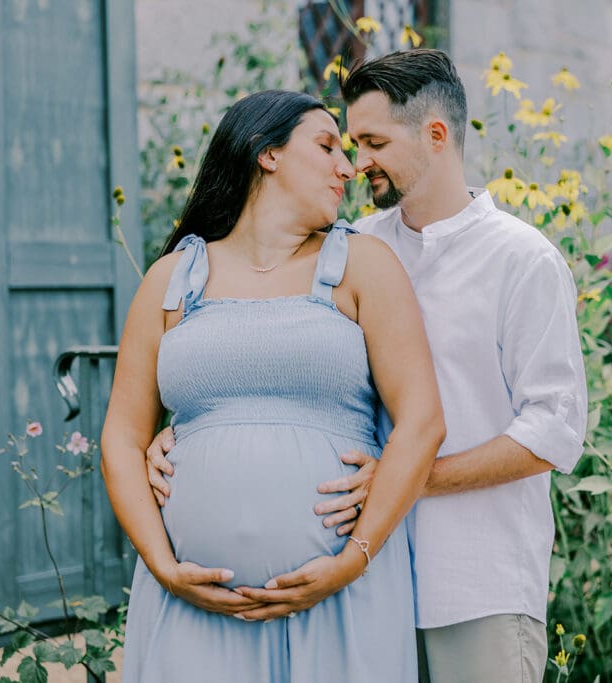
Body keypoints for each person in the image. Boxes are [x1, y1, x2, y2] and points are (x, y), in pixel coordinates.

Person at [147, 49, 587, 682]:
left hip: (472, 581)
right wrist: (190, 431)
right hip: (364, 586)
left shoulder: (521, 259)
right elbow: (269, 349)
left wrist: (409, 477)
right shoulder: (355, 246)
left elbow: (554, 429)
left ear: (436, 135)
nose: (356, 163)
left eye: (373, 142)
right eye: (350, 144)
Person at [101, 89, 444, 683]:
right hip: (192, 610)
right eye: (328, 145)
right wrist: (162, 565)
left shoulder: (364, 265)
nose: (349, 166)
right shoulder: (172, 279)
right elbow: (121, 439)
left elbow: (422, 423)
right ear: (267, 153)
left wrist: (351, 561)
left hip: (339, 604)